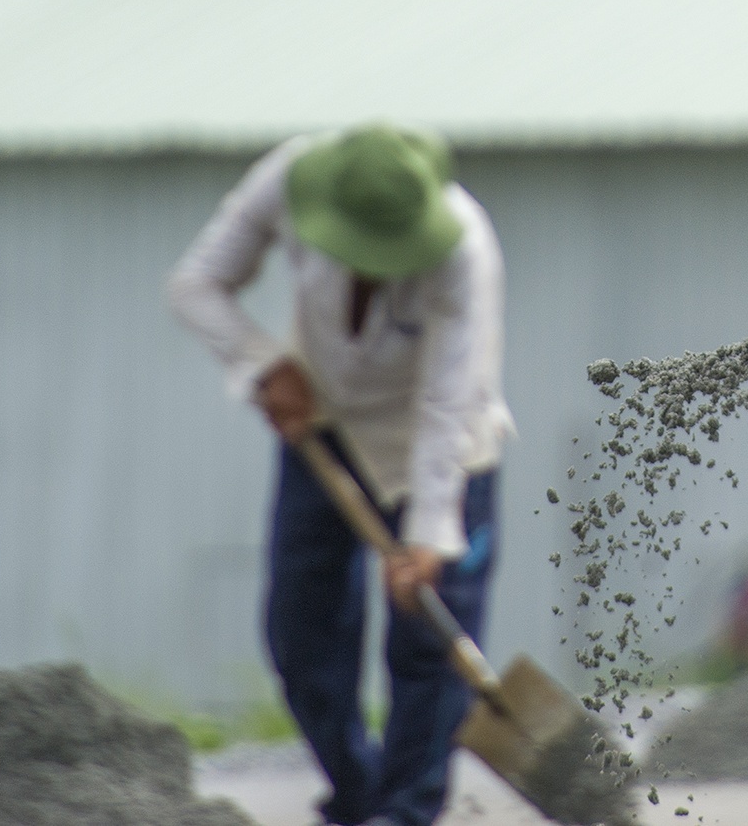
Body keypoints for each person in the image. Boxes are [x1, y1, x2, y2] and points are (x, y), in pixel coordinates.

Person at [168, 124, 513, 826]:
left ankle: (407, 812)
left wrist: (427, 535)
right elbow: (197, 284)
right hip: (323, 423)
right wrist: (264, 363)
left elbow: (449, 398)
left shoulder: (464, 250)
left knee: (427, 643)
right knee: (303, 628)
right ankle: (357, 794)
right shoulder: (289, 181)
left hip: (441, 442)